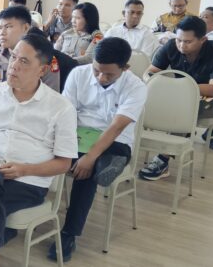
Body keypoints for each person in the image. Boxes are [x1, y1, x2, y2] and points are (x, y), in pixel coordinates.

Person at [0, 33, 77, 267]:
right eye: (13, 58)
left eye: (24, 62)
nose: (13, 66)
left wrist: (23, 169)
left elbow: (64, 163)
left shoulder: (61, 107)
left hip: (27, 183)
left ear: (42, 70)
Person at [50, 37, 147, 262]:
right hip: (79, 134)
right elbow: (66, 113)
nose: (101, 77)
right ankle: (28, 208)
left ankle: (69, 233)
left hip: (115, 141)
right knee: (45, 150)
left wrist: (91, 157)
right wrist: (64, 142)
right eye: (97, 71)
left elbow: (117, 126)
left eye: (109, 74)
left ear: (125, 68)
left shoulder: (136, 87)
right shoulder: (78, 74)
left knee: (87, 171)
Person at [140, 16, 213, 180]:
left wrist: (180, 88)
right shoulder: (171, 46)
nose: (181, 45)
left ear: (203, 40)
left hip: (209, 102)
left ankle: (163, 159)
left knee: (185, 109)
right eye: (179, 40)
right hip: (178, 96)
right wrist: (157, 83)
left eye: (188, 42)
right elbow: (149, 73)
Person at [0, 7, 62, 106]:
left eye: (8, 27)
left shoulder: (43, 60)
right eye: (0, 27)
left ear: (25, 28)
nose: (1, 33)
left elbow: (50, 99)